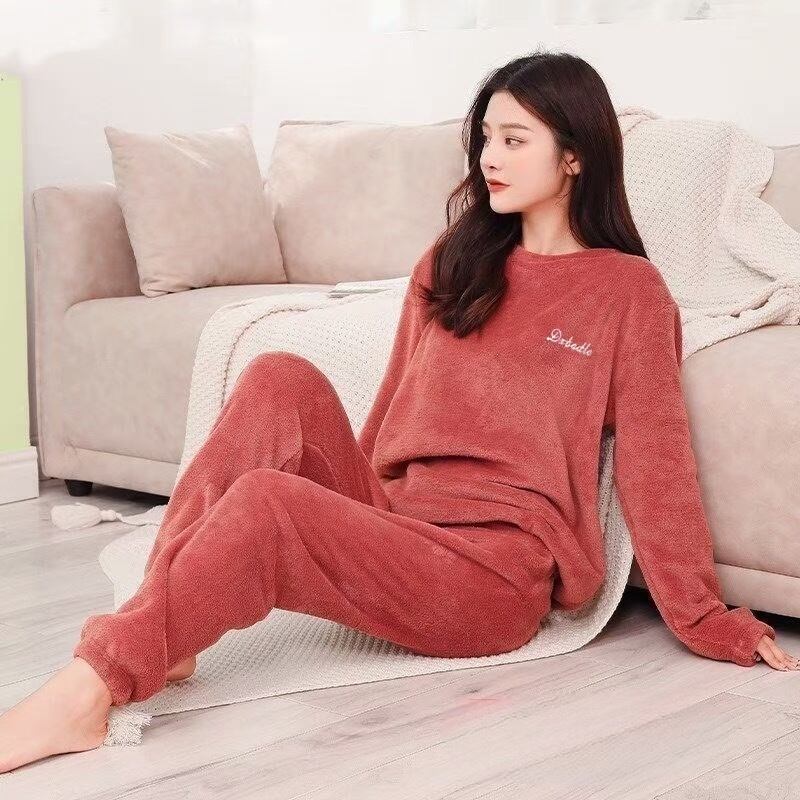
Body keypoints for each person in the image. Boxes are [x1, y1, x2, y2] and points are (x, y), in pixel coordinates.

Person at [1, 48, 796, 775]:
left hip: (491, 574)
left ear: (575, 155)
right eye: (485, 139)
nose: (489, 158)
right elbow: (389, 418)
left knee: (269, 506)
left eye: (514, 140)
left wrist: (704, 617)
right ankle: (161, 625)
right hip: (404, 526)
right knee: (278, 375)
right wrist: (352, 517)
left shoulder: (627, 291)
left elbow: (657, 466)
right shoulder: (452, 263)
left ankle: (92, 687)